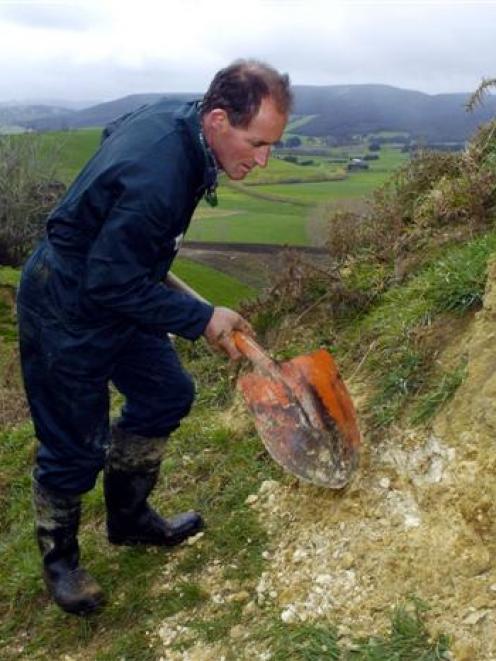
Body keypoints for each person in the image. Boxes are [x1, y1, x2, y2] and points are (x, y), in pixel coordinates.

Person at [17, 59, 291, 615]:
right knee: (74, 445)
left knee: (167, 391)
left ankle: (130, 519)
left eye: (272, 146)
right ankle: (61, 562)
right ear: (218, 118)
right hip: (66, 301)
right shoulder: (160, 176)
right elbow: (107, 279)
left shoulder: (179, 123)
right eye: (256, 142)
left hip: (119, 284)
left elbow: (112, 139)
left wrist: (144, 261)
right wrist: (201, 318)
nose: (262, 160)